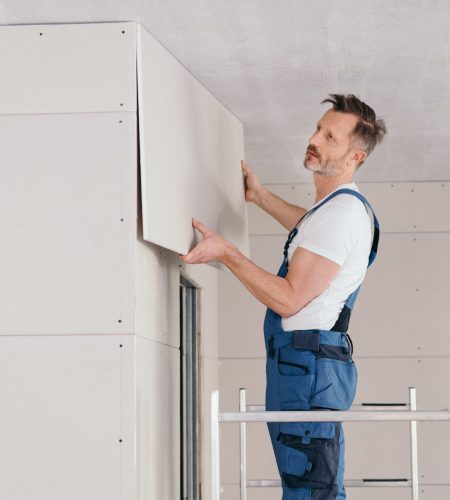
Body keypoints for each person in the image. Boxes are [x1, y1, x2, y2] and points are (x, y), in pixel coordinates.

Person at [179, 93, 387, 499]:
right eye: (318, 128)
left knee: (309, 488)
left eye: (331, 137)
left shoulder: (340, 215)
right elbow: (307, 229)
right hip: (307, 364)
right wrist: (258, 196)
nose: (315, 139)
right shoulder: (335, 209)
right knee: (310, 482)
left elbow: (289, 299)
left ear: (354, 156)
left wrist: (227, 252)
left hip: (306, 369)